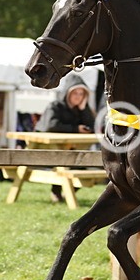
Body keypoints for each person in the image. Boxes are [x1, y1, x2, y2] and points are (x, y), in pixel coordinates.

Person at [36, 75, 96, 203]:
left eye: (81, 94)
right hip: (47, 149)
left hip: (70, 149)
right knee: (64, 165)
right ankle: (57, 191)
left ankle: (64, 193)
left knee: (82, 169)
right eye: (75, 93)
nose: (78, 97)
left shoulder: (81, 109)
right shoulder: (55, 106)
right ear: (68, 93)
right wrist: (75, 129)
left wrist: (83, 109)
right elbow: (51, 126)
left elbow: (92, 127)